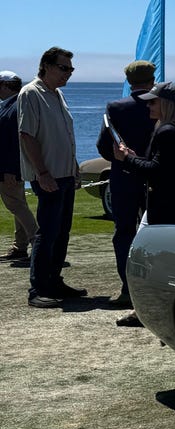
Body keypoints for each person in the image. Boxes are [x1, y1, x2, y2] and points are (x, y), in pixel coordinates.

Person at [113, 82, 175, 327]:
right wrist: (134, 157)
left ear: (166, 105)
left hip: (165, 210)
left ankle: (147, 312)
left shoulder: (167, 131)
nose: (148, 105)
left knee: (144, 261)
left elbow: (157, 172)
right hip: (172, 209)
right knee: (165, 264)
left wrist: (127, 158)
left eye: (153, 101)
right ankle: (153, 311)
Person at [18, 46, 84, 308]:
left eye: (70, 69)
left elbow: (64, 136)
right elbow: (27, 135)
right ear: (46, 65)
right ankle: (38, 289)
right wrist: (42, 173)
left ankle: (54, 280)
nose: (67, 73)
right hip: (49, 176)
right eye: (63, 68)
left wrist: (74, 165)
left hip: (64, 173)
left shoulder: (56, 95)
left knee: (62, 231)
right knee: (47, 232)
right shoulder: (31, 93)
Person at [95, 60, 156, 309]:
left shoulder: (116, 107)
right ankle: (153, 286)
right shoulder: (161, 104)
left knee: (124, 234)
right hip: (155, 176)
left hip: (124, 178)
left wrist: (122, 161)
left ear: (129, 82)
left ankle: (127, 287)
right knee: (156, 233)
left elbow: (103, 144)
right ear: (152, 80)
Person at [0, 70, 37, 265]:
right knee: (19, 205)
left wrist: (10, 170)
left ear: (5, 86)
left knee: (16, 205)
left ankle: (36, 242)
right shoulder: (17, 105)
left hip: (9, 168)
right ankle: (20, 246)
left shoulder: (11, 109)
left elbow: (13, 144)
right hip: (14, 167)